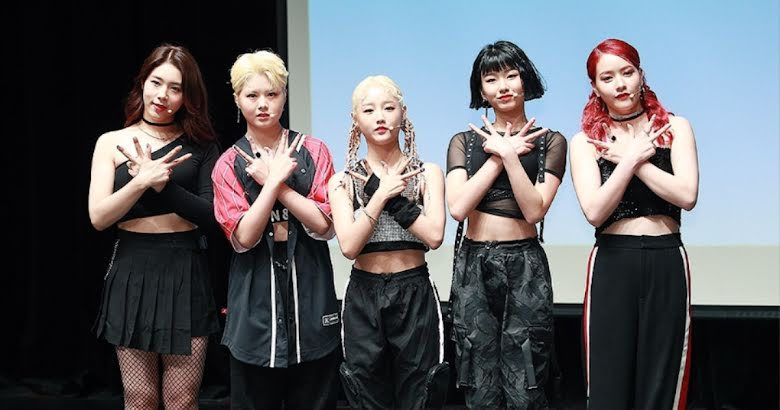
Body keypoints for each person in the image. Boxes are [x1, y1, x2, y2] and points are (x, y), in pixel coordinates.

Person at [89, 44, 221, 409]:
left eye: (175, 88)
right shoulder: (111, 142)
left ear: (187, 96)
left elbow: (211, 216)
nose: (163, 95)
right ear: (142, 83)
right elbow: (99, 217)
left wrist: (165, 186)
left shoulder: (202, 146)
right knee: (139, 398)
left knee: (182, 400)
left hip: (185, 268)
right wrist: (141, 182)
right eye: (156, 82)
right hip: (132, 269)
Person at [569, 38, 699, 409]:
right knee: (608, 380)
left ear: (641, 75)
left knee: (662, 378)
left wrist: (636, 160)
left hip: (666, 256)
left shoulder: (675, 127)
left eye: (627, 72)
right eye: (607, 77)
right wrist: (627, 162)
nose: (620, 84)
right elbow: (594, 211)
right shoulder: (585, 142)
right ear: (595, 87)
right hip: (613, 259)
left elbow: (687, 195)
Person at [211, 50, 341, 410]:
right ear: (237, 100)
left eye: (272, 94)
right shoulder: (228, 164)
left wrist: (278, 185)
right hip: (254, 299)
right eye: (252, 95)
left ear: (284, 95)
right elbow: (244, 237)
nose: (262, 104)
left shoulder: (314, 150)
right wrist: (270, 185)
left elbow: (325, 225)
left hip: (311, 290)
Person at [446, 40, 567, 409]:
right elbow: (458, 207)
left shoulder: (551, 142)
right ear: (481, 90)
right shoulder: (464, 142)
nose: (503, 86)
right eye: (491, 79)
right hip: (474, 262)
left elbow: (534, 211)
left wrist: (512, 157)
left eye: (511, 75)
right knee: (477, 377)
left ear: (525, 80)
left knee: (526, 378)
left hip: (524, 264)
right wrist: (497, 156)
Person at [328, 75, 450, 410]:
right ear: (356, 119)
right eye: (369, 110)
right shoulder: (343, 180)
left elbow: (434, 235)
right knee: (365, 390)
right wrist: (380, 194)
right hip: (363, 293)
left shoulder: (427, 173)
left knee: (421, 392)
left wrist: (396, 200)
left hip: (414, 288)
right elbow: (349, 246)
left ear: (403, 113)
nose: (380, 117)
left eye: (388, 108)